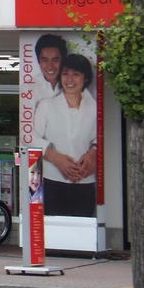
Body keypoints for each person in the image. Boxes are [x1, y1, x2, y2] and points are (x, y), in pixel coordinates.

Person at [34, 53, 97, 217]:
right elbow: (31, 138)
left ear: (86, 78)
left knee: (82, 233)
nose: (70, 79)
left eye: (76, 74)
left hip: (85, 182)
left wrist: (93, 153)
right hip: (53, 182)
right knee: (55, 233)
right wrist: (56, 158)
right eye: (65, 73)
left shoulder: (95, 108)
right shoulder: (46, 106)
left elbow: (99, 138)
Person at [34, 34, 68, 104]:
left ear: (63, 60)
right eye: (45, 60)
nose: (50, 66)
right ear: (38, 61)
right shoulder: (27, 88)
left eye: (55, 60)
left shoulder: (74, 85)